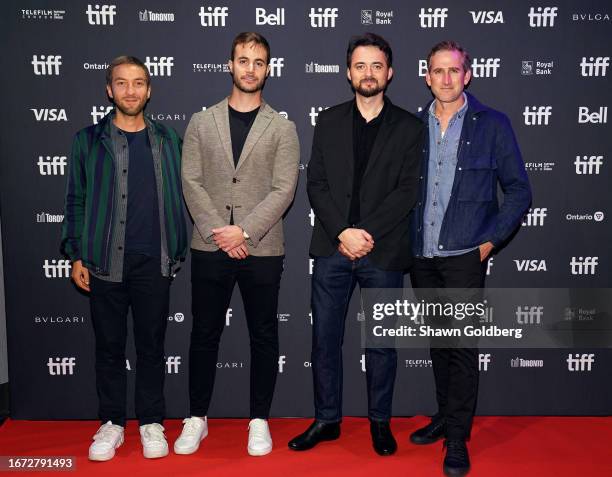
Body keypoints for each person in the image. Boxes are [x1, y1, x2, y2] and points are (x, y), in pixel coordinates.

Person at [288, 33, 423, 456]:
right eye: (361, 66)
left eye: (377, 66)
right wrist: (342, 232)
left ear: (390, 72)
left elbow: (406, 191)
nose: (368, 73)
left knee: (381, 343)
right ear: (348, 72)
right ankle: (327, 420)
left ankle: (379, 423)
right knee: (324, 341)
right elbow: (317, 183)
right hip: (332, 249)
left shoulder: (409, 126)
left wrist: (365, 234)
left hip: (381, 253)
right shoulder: (327, 120)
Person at [408, 40, 531, 476]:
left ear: (467, 75)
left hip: (465, 254)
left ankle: (458, 437)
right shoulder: (412, 125)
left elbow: (519, 190)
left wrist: (489, 241)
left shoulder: (492, 124)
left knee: (461, 348)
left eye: (453, 71)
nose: (445, 79)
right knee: (439, 343)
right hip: (422, 253)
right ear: (426, 76)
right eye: (437, 71)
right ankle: (445, 416)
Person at [178, 32, 299, 457]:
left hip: (262, 249)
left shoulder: (283, 127)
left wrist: (243, 231)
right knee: (204, 334)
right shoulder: (200, 122)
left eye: (259, 61)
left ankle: (259, 420)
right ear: (230, 65)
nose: (250, 68)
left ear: (268, 69)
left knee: (263, 335)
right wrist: (220, 231)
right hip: (210, 246)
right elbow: (190, 181)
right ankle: (197, 418)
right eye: (243, 60)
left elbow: (284, 189)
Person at [61, 55, 188, 461]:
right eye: (122, 83)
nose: (130, 91)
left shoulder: (170, 140)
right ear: (109, 89)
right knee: (110, 347)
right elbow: (76, 200)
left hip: (155, 260)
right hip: (103, 260)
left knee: (152, 346)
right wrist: (76, 253)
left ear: (149, 90)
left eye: (138, 83)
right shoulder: (87, 140)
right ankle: (112, 423)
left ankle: (152, 423)